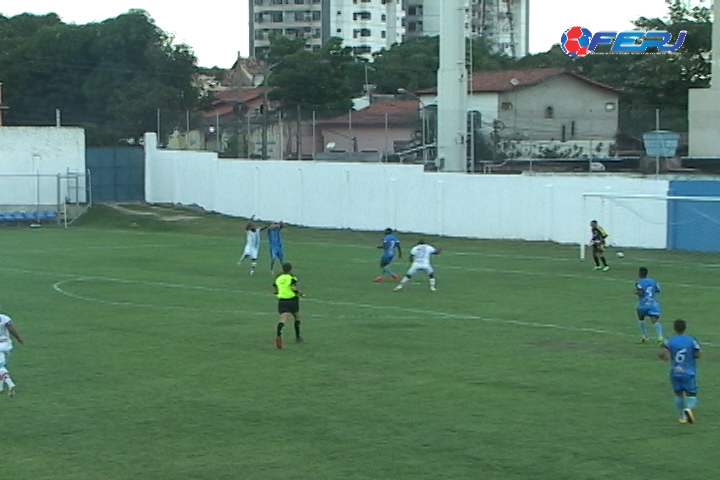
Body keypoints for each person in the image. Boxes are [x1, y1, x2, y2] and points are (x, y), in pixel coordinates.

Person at [659, 319, 701, 424]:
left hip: (675, 371)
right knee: (691, 394)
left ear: (674, 328)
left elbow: (662, 354)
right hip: (688, 372)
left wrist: (666, 358)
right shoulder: (691, 340)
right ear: (685, 328)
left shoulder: (670, 341)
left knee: (678, 394)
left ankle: (682, 416)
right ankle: (689, 409)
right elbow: (698, 354)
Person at [273, 263, 305, 349]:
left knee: (283, 318)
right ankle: (298, 337)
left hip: (282, 300)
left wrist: (278, 293)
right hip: (292, 300)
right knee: (297, 317)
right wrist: (300, 294)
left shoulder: (278, 278)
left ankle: (278, 335)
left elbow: (275, 289)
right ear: (290, 269)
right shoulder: (292, 278)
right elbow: (293, 287)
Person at [635, 266, 664, 344]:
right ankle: (660, 337)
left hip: (643, 304)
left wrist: (636, 292)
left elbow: (640, 292)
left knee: (641, 319)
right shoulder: (653, 281)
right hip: (653, 304)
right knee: (655, 320)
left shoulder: (639, 282)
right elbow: (658, 290)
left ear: (640, 273)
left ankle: (644, 336)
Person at [0, 307, 24, 397]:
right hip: (6, 345)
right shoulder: (4, 318)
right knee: (2, 366)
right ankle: (1, 387)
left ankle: (10, 384)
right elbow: (11, 328)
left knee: (1, 367)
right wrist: (19, 338)